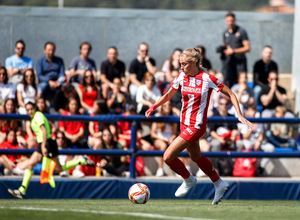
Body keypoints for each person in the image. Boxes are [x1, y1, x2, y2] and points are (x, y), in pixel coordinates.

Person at [145, 48, 252, 205]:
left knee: (168, 156)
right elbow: (168, 95)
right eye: (180, 64)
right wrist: (153, 107)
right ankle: (219, 183)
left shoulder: (207, 78)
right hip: (184, 124)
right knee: (196, 157)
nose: (181, 67)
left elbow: (230, 93)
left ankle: (188, 179)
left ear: (194, 62)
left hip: (197, 126)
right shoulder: (182, 76)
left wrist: (239, 114)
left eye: (184, 64)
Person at [7, 102, 95, 199]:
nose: (30, 111)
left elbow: (44, 131)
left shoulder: (37, 116)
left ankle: (22, 190)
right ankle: (22, 190)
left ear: (35, 108)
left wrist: (44, 145)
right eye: (27, 110)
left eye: (31, 109)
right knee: (42, 166)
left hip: (47, 143)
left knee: (55, 168)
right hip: (45, 143)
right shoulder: (37, 117)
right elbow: (47, 126)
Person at [221, 12, 251, 88]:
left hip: (240, 62)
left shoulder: (241, 31)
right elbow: (224, 46)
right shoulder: (225, 32)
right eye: (228, 21)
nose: (230, 23)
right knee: (228, 82)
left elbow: (247, 48)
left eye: (231, 21)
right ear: (226, 21)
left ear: (235, 20)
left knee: (241, 82)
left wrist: (233, 51)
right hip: (230, 62)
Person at [150, 101, 178, 177]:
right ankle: (160, 169)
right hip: (159, 139)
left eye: (169, 105)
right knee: (163, 146)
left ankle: (177, 170)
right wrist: (163, 139)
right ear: (162, 107)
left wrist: (171, 139)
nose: (167, 107)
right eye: (165, 105)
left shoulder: (174, 116)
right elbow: (153, 133)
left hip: (170, 139)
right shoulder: (157, 116)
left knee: (178, 145)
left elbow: (175, 133)